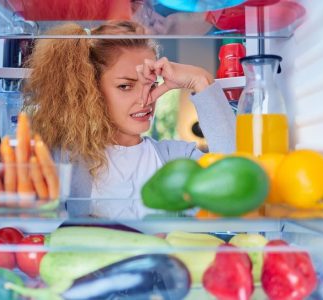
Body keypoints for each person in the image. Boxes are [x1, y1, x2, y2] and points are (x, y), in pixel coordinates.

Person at [22, 20, 235, 218]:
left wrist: (199, 79)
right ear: (90, 90)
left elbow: (236, 180)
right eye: (125, 86)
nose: (145, 99)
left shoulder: (176, 158)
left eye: (151, 85)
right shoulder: (62, 158)